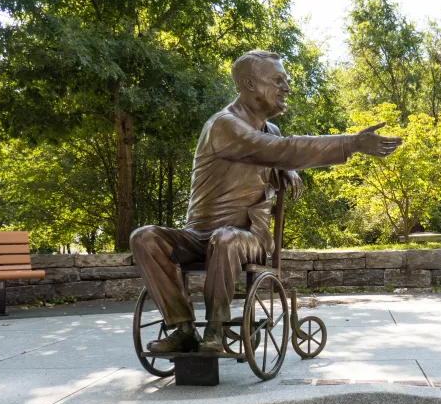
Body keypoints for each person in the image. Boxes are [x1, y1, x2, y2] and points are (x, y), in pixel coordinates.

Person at [131, 50, 401, 354]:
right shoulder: (224, 125)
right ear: (249, 84)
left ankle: (216, 331)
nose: (285, 87)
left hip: (248, 238)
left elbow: (277, 150)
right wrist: (349, 143)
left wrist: (289, 168)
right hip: (198, 235)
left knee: (225, 239)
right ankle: (182, 328)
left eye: (285, 81)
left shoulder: (269, 130)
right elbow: (277, 150)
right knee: (144, 237)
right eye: (277, 80)